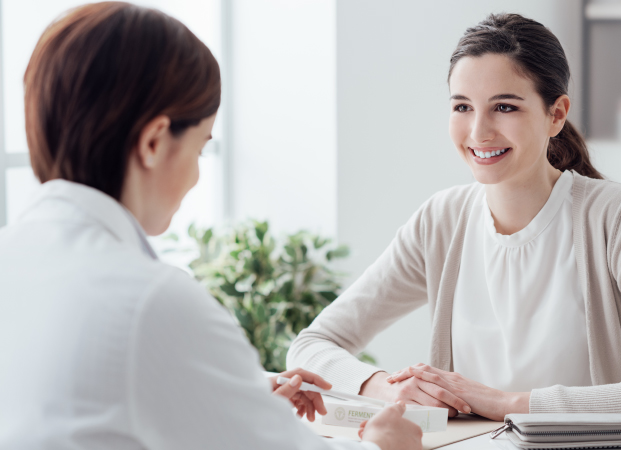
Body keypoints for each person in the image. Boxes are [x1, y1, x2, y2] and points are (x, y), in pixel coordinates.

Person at [0, 3, 423, 449]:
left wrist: (241, 391)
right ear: (154, 142)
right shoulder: (151, 301)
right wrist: (384, 444)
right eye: (200, 147)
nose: (197, 176)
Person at [287, 13, 621, 430]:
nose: (479, 131)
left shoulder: (612, 214)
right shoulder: (441, 220)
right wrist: (386, 388)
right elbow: (311, 345)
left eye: (504, 107)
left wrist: (503, 402)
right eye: (462, 106)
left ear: (556, 114)